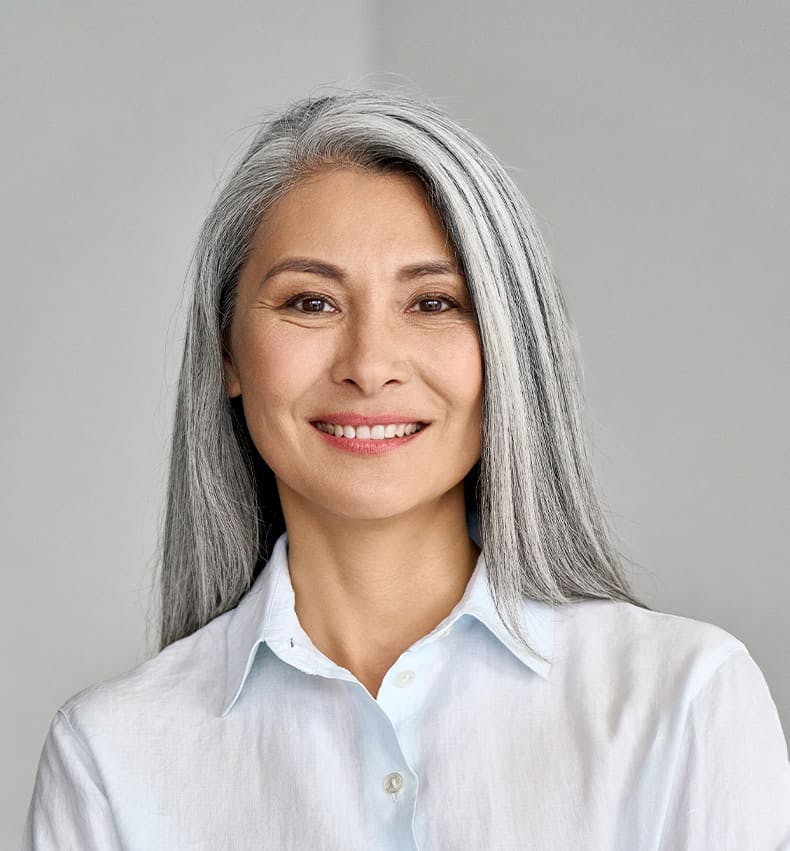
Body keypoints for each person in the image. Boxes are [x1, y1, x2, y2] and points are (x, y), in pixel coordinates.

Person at [22, 87, 790, 850]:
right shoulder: (111, 759)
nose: (370, 365)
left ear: (506, 349)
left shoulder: (685, 701)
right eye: (312, 303)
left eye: (433, 304)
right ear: (228, 350)